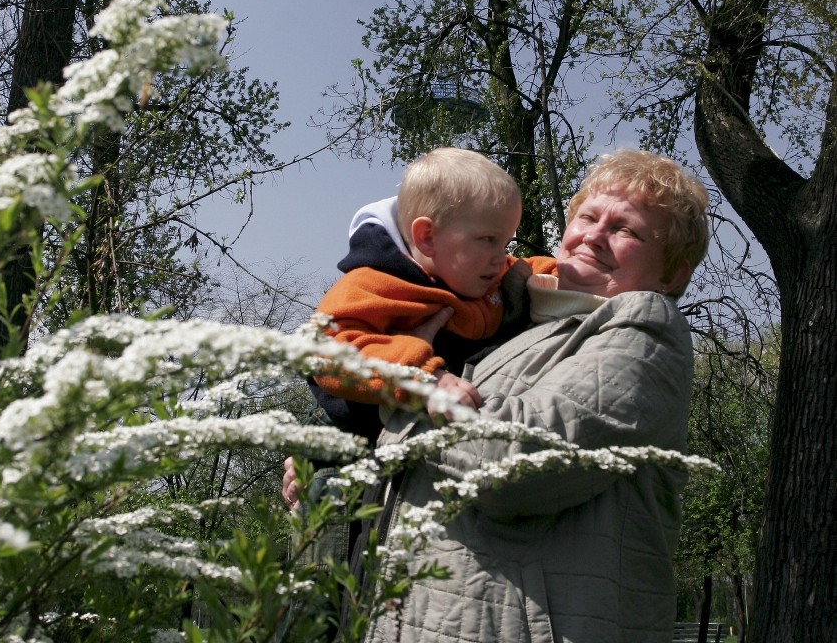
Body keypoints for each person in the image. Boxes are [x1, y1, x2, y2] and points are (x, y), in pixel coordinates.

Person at [284, 149, 710, 643]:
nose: (594, 235)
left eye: (626, 230)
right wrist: (337, 458)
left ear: (672, 271)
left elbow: (514, 462)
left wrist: (397, 393)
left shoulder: (642, 328)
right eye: (588, 217)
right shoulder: (508, 315)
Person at [307, 146, 557, 447]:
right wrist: (425, 378)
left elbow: (527, 267)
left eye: (504, 242)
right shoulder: (373, 284)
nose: (499, 256)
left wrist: (563, 275)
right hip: (352, 437)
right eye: (489, 240)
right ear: (427, 237)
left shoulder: (484, 271)